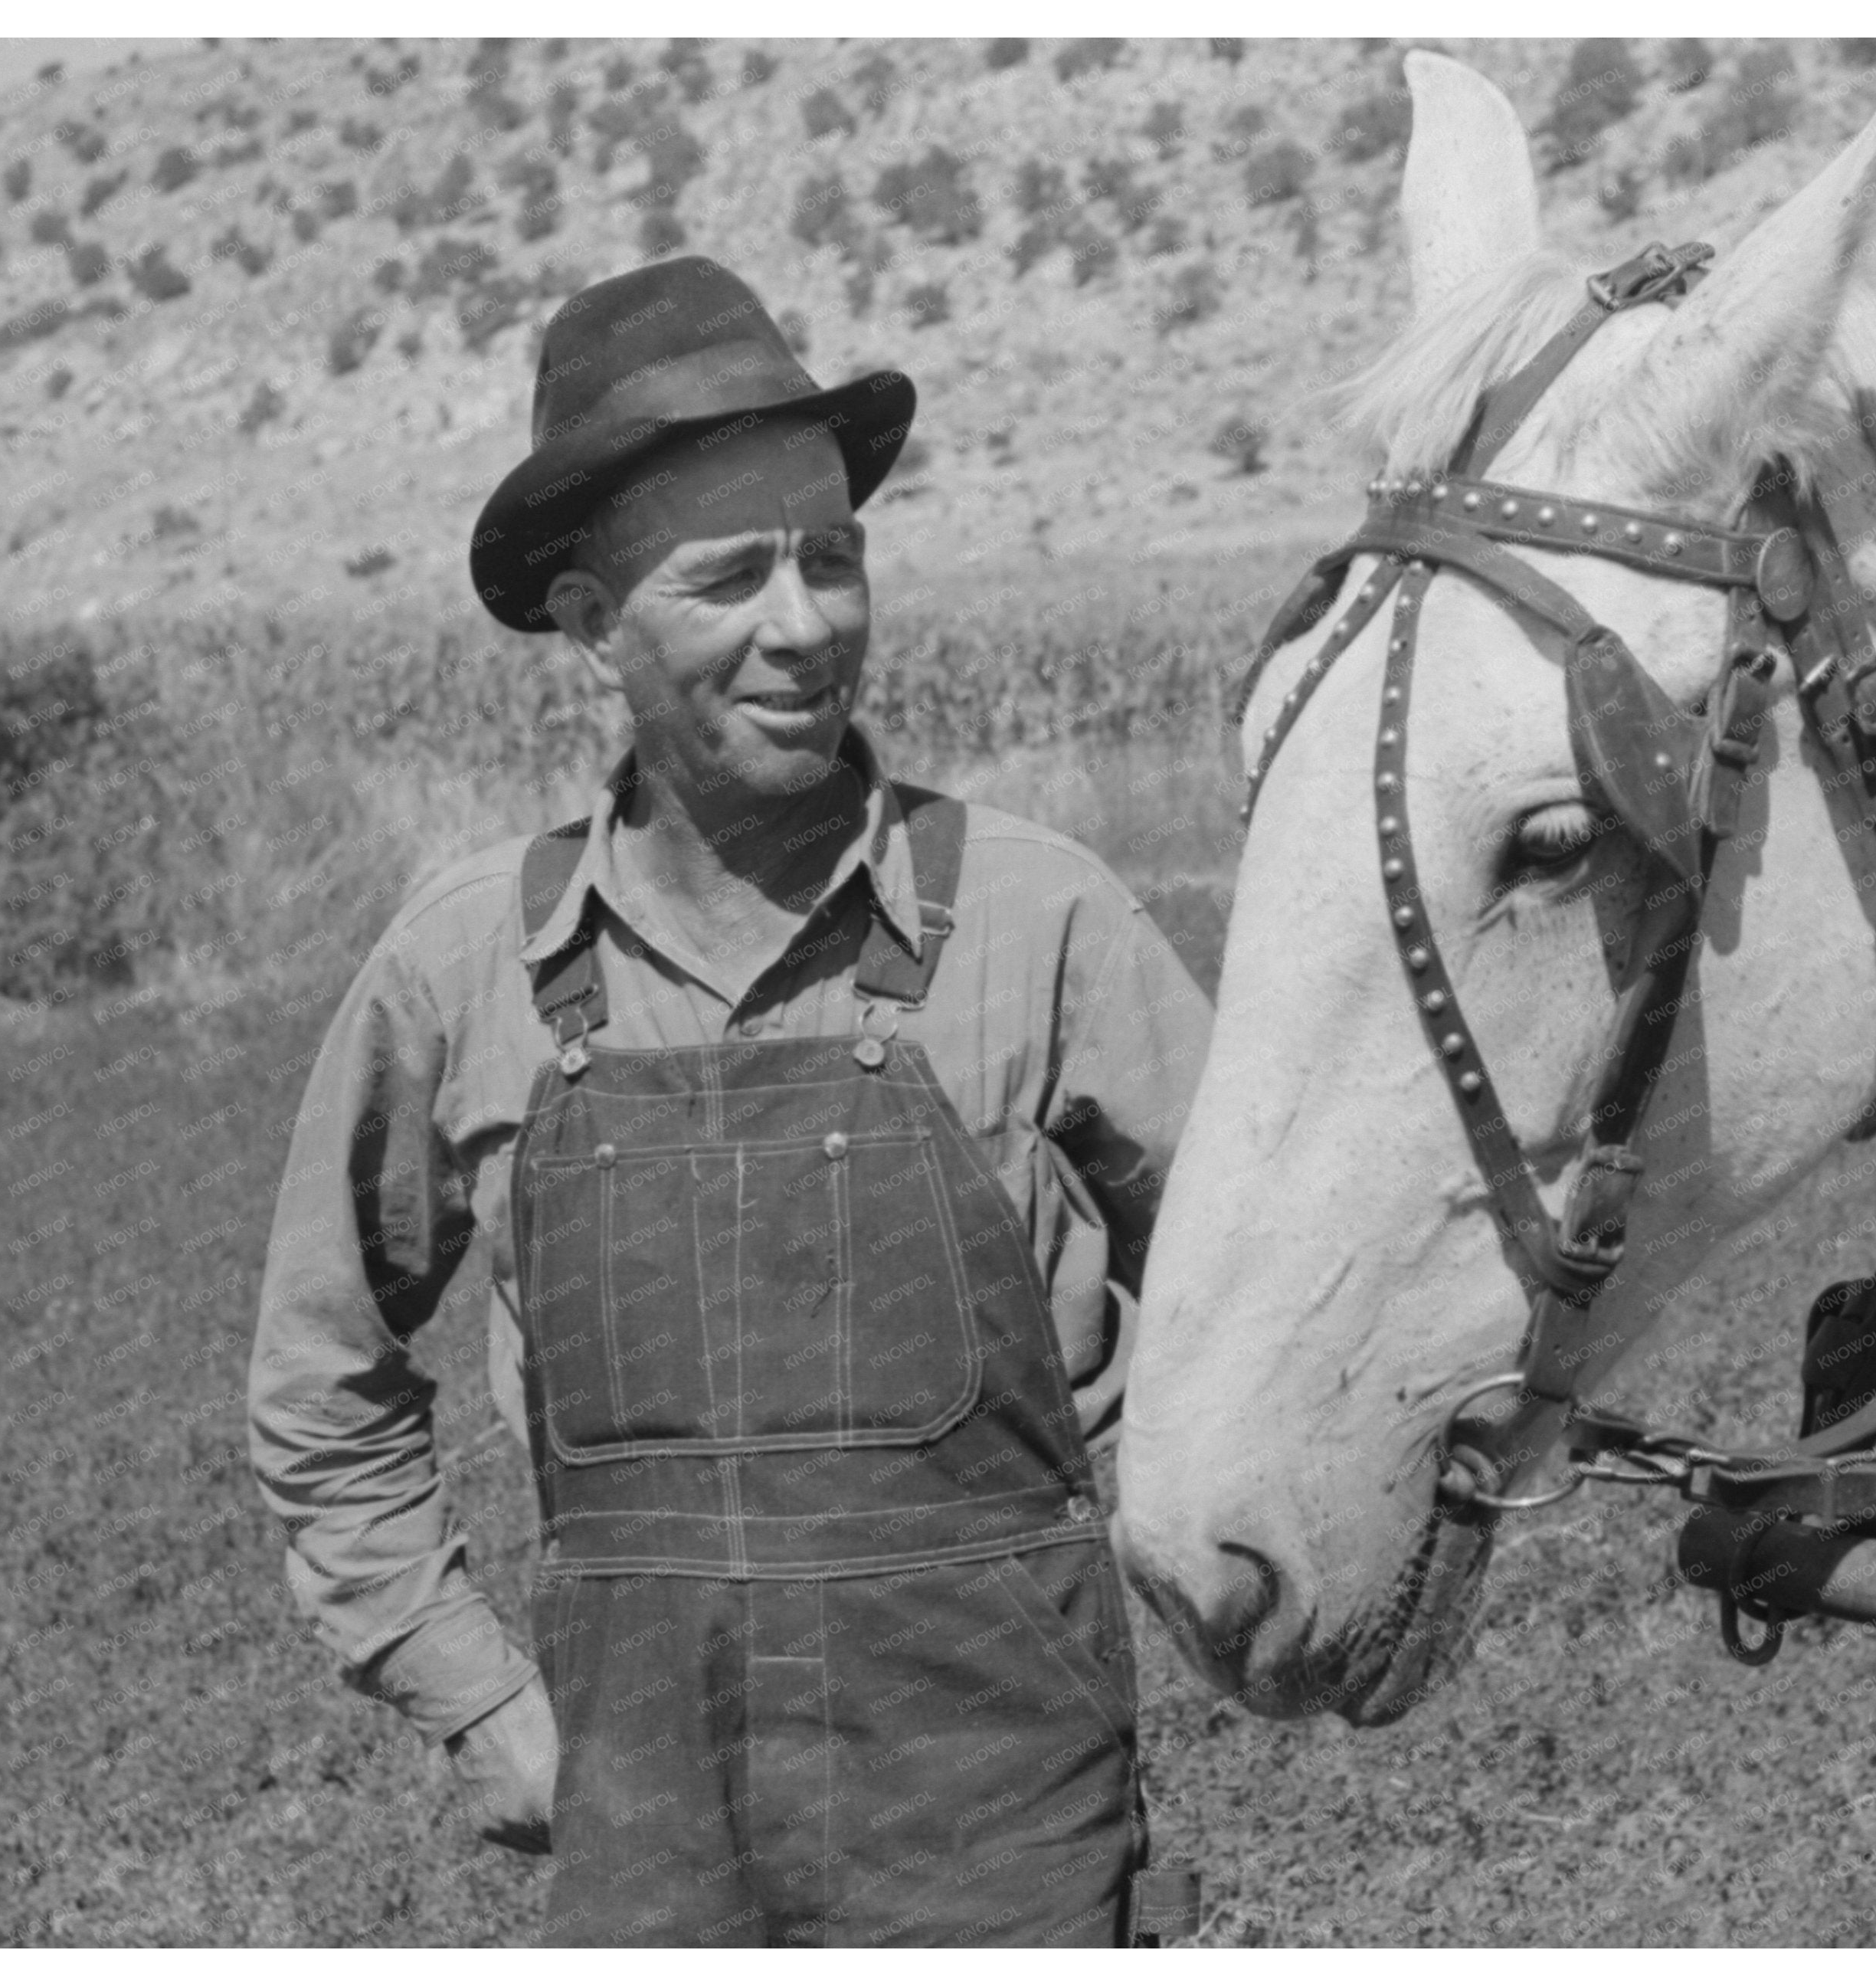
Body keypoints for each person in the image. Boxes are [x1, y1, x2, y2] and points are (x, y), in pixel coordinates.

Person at [247, 254, 1213, 1946]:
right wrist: (479, 1700)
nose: (804, 625)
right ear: (589, 623)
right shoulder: (470, 963)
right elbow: (322, 1389)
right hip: (651, 1842)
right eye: (729, 576)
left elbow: (1277, 1298)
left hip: (1009, 1831)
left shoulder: (1042, 921)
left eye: (832, 559)